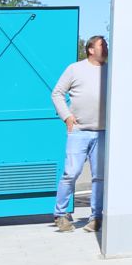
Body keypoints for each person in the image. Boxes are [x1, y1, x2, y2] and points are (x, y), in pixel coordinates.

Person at [50, 35, 107, 232]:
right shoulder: (75, 69)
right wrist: (66, 116)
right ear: (91, 49)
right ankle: (61, 213)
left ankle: (96, 216)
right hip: (79, 131)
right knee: (71, 173)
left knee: (99, 176)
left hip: (102, 133)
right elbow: (56, 93)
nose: (106, 47)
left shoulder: (111, 70)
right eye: (102, 45)